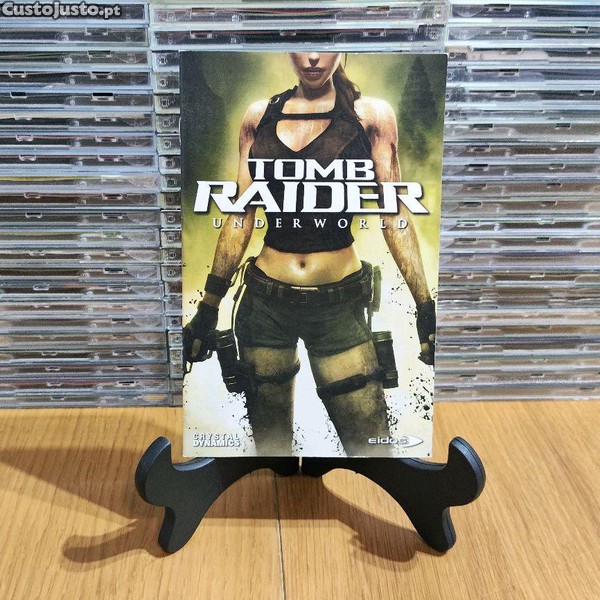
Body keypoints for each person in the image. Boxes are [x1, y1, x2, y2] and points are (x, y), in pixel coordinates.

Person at [184, 52, 436, 456]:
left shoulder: (370, 116)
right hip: (264, 304)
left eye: (324, 45)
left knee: (370, 449)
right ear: (288, 50)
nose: (314, 56)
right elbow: (240, 216)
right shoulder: (259, 117)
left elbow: (395, 215)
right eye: (303, 44)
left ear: (341, 51)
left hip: (339, 306)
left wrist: (425, 306)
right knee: (272, 452)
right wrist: (208, 307)